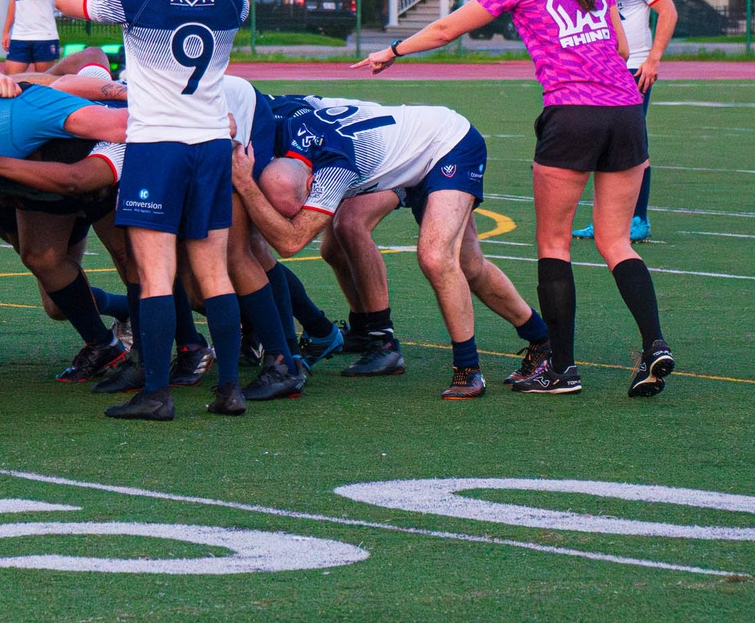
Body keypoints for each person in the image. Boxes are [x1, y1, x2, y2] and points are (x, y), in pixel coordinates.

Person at [357, 0, 673, 399]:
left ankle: (562, 370)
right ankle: (654, 343)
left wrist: (392, 50)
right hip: (626, 111)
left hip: (573, 114)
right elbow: (618, 46)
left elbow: (445, 29)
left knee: (554, 244)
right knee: (617, 242)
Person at [56, 0, 251, 420]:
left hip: (157, 147)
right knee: (215, 274)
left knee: (156, 274)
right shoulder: (228, 0)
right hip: (212, 144)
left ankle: (158, 393)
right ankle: (230, 389)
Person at [233, 95, 549, 400]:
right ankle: (541, 339)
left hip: (448, 145)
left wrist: (246, 185)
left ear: (310, 183)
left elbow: (290, 242)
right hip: (407, 156)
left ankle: (467, 369)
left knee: (436, 257)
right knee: (469, 265)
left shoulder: (333, 170)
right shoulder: (286, 124)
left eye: (299, 206)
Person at [577, 0, 677, 243]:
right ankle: (605, 220)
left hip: (633, 71)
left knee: (632, 145)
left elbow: (668, 12)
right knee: (600, 145)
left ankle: (638, 219)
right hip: (596, 73)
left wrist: (653, 59)